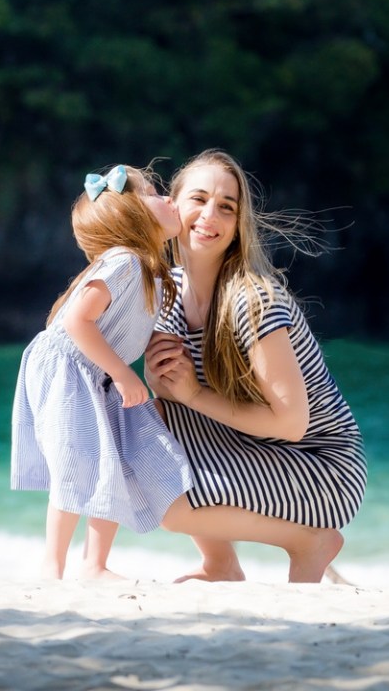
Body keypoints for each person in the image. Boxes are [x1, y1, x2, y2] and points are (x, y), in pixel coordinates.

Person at [144, 149, 366, 583]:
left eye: (226, 207)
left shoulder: (254, 302)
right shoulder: (166, 292)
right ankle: (220, 565)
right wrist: (165, 388)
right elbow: (170, 411)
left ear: (237, 225)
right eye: (199, 199)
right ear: (172, 206)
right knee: (145, 428)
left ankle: (309, 542)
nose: (211, 215)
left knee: (168, 503)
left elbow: (292, 423)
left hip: (321, 465)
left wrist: (191, 394)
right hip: (258, 451)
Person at [9, 164, 192, 580]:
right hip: (68, 366)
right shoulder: (124, 261)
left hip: (96, 372)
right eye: (153, 192)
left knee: (112, 461)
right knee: (76, 459)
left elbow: (125, 326)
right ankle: (51, 567)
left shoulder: (150, 274)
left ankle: (95, 564)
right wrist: (126, 375)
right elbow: (77, 321)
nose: (167, 197)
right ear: (132, 215)